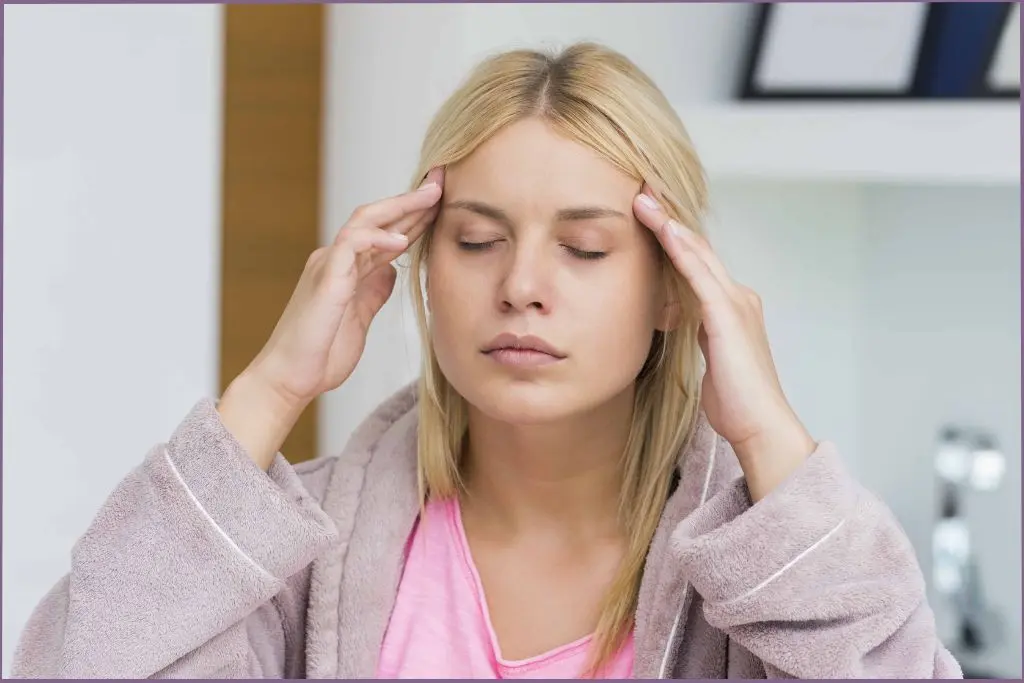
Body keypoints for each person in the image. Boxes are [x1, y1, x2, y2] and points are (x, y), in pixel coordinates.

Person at [12, 42, 962, 680]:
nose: (521, 286)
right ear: (419, 266)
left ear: (678, 286)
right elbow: (74, 660)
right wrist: (271, 388)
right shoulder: (303, 561)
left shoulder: (765, 586)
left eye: (584, 249)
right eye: (474, 240)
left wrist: (769, 437)